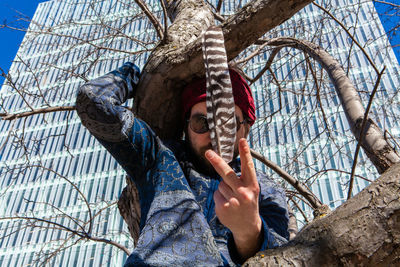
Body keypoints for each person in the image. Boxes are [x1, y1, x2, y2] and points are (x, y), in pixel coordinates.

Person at [76, 62, 289, 266]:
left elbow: (286, 258)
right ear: (186, 127)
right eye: (201, 122)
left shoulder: (266, 190)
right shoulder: (161, 158)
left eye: (226, 122)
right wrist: (134, 75)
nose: (214, 135)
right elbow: (94, 101)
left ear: (245, 128)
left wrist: (249, 232)